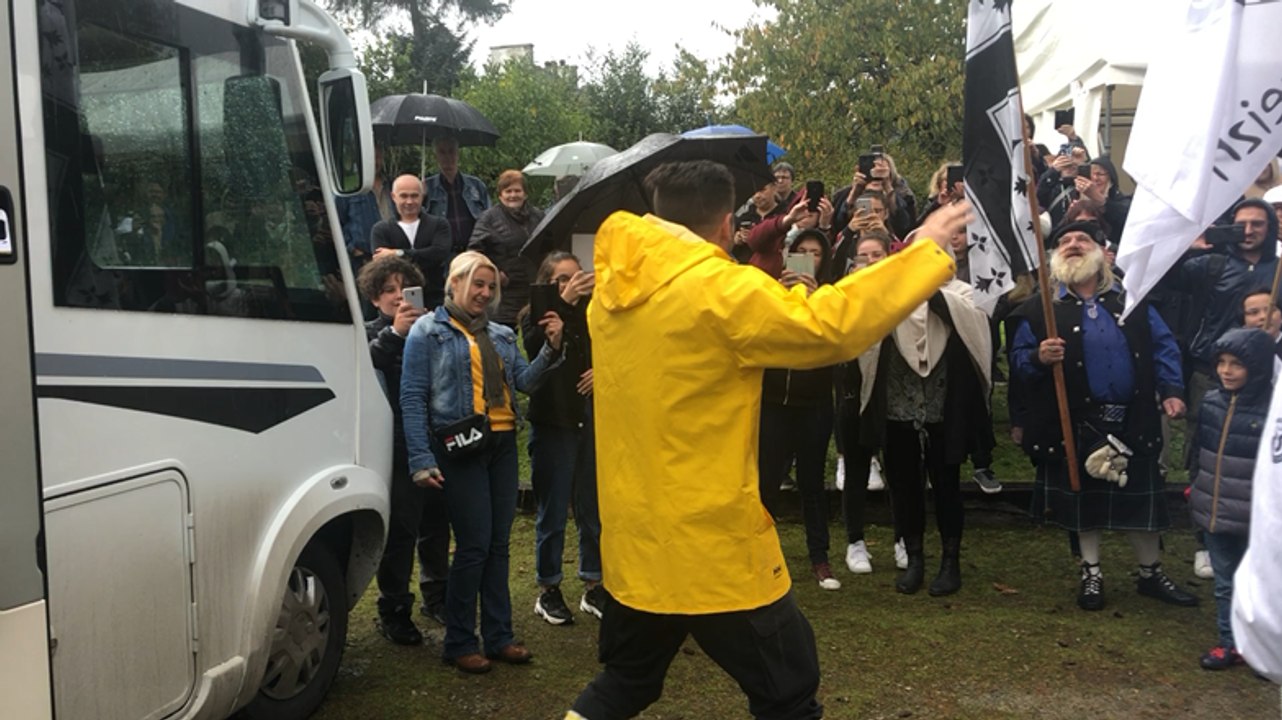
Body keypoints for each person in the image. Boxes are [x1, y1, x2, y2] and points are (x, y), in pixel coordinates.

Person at [565, 159, 971, 720]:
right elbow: (831, 327)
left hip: (636, 543)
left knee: (625, 682)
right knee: (789, 694)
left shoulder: (610, 292)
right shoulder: (719, 290)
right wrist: (923, 251)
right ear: (727, 221)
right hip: (713, 546)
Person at [1009, 220, 1197, 611]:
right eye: (1064, 241)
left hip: (1134, 418)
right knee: (1083, 503)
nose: (1073, 244)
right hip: (1075, 424)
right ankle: (1091, 574)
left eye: (1082, 239)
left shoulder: (1133, 298)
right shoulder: (1041, 307)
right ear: (1054, 254)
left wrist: (1173, 390)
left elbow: (1163, 346)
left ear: (1101, 249)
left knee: (1141, 506)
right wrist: (1038, 357)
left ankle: (1151, 573)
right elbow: (1018, 364)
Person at [400, 251, 564, 674]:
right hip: (460, 447)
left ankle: (499, 636)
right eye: (478, 284)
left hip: (503, 443)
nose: (486, 293)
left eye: (491, 286)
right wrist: (420, 457)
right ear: (454, 283)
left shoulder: (500, 333)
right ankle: (459, 641)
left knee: (499, 545)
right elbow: (413, 398)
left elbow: (524, 383)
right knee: (473, 545)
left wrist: (551, 348)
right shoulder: (427, 330)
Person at [855, 227, 992, 595]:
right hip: (898, 405)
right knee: (904, 486)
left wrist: (929, 292)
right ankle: (914, 557)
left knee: (946, 485)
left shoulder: (961, 293)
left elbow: (974, 324)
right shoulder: (891, 296)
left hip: (943, 407)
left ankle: (950, 561)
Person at [520, 251, 603, 625]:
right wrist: (564, 304)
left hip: (588, 419)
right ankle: (548, 589)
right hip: (553, 423)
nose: (570, 284)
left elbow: (609, 350)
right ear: (547, 283)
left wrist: (602, 371)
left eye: (575, 277)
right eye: (561, 280)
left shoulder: (592, 314)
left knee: (592, 506)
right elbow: (536, 353)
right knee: (553, 511)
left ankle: (593, 583)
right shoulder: (534, 316)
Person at [1164, 198, 1280, 468]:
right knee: (1205, 441)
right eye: (1242, 225)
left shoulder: (1279, 269)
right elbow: (1161, 278)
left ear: (1270, 227)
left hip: (1269, 371)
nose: (1249, 231)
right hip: (1212, 371)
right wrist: (1185, 249)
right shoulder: (1210, 265)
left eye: (1257, 224)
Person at [757, 229, 843, 590]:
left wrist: (812, 300)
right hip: (774, 403)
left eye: (816, 253)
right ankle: (760, 557)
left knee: (811, 483)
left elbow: (835, 341)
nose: (809, 258)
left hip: (815, 404)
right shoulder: (770, 294)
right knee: (766, 483)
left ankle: (819, 558)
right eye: (801, 252)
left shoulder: (830, 297)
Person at [356, 256, 432, 645]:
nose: (398, 296)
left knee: (437, 523)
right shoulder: (368, 331)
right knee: (402, 528)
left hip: (437, 436)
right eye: (388, 290)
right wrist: (397, 333)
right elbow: (363, 363)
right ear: (374, 298)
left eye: (405, 288)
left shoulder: (432, 327)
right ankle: (394, 608)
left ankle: (438, 596)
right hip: (394, 441)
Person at [1189, 328, 1274, 670]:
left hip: (1257, 516)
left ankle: (1263, 648)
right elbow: (1197, 451)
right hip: (1217, 510)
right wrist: (1195, 485)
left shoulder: (1272, 409)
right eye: (1221, 363)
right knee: (1226, 583)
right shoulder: (1210, 402)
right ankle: (1230, 642)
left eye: (1236, 364)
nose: (1226, 370)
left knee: (1262, 586)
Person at [837, 234, 894, 575]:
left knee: (900, 472)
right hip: (853, 395)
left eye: (877, 253)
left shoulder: (903, 293)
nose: (870, 260)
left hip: (894, 393)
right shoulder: (846, 295)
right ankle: (855, 541)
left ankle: (904, 538)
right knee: (856, 470)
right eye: (864, 255)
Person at [467, 170, 545, 329]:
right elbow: (474, 252)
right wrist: (495, 272)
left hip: (534, 288)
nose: (513, 195)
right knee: (503, 341)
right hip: (504, 294)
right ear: (500, 195)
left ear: (525, 194)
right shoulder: (488, 218)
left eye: (517, 190)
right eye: (508, 191)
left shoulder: (538, 216)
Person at [371, 174, 452, 310]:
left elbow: (439, 254)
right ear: (393, 197)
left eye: (414, 196)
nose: (409, 201)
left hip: (435, 299)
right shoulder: (381, 229)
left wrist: (398, 253)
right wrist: (422, 256)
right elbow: (382, 266)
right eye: (404, 196)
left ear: (422, 196)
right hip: (396, 303)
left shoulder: (439, 224)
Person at [424, 135, 491, 260]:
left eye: (451, 151)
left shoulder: (476, 185)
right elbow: (417, 224)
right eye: (442, 152)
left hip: (474, 253)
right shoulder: (426, 187)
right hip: (441, 258)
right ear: (436, 156)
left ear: (458, 154)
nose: (447, 157)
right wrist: (419, 197)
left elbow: (490, 220)